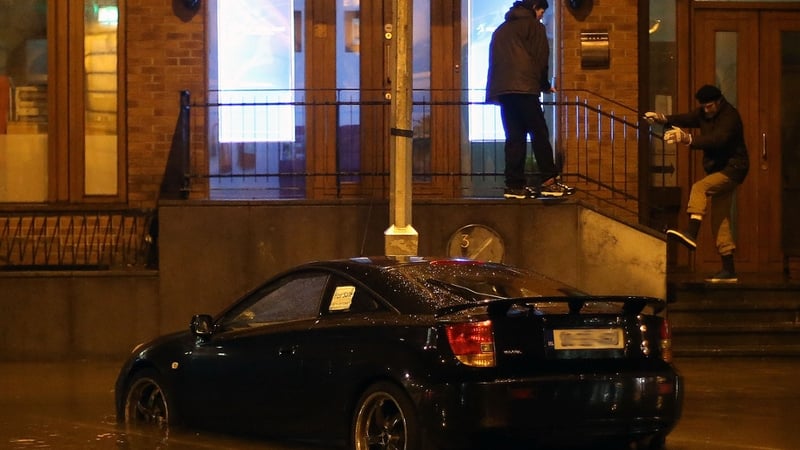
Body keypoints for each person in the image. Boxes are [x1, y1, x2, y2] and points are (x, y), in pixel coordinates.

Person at [644, 84, 750, 283]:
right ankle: (729, 269)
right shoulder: (703, 113)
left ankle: (691, 233)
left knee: (699, 187)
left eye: (710, 106)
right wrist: (662, 118)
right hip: (718, 169)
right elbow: (686, 118)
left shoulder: (730, 117)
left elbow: (717, 140)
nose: (707, 110)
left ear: (719, 101)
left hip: (733, 168)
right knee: (720, 219)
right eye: (704, 107)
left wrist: (687, 139)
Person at [486, 0, 574, 199]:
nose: (542, 16)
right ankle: (549, 181)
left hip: (504, 90)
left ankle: (514, 185)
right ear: (535, 7)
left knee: (514, 136)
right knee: (539, 132)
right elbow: (541, 59)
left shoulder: (501, 30)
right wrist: (544, 85)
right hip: (525, 88)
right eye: (542, 11)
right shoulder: (535, 27)